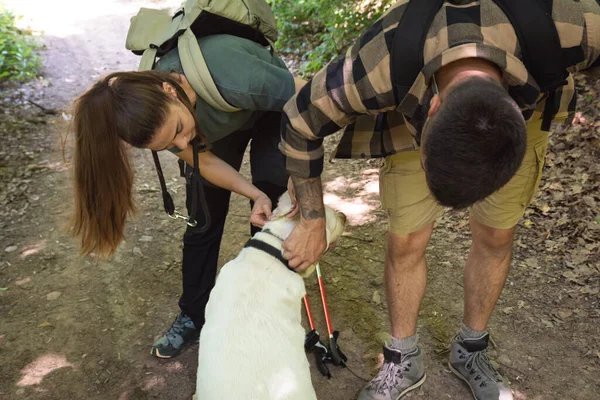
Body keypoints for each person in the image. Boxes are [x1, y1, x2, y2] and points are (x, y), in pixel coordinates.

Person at [279, 1, 600, 399]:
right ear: (430, 109)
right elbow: (298, 119)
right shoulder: (383, 60)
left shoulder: (565, 22)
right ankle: (402, 359)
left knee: (497, 237)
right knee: (406, 240)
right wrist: (311, 220)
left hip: (520, 122)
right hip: (416, 97)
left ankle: (471, 351)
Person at [70, 33, 304, 358]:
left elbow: (308, 99)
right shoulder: (161, 122)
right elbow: (204, 162)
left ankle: (269, 307)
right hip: (218, 121)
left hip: (273, 109)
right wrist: (253, 193)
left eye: (178, 131)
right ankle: (194, 315)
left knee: (275, 199)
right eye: (170, 144)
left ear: (171, 90)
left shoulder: (234, 75)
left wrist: (303, 171)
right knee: (203, 218)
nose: (181, 144)